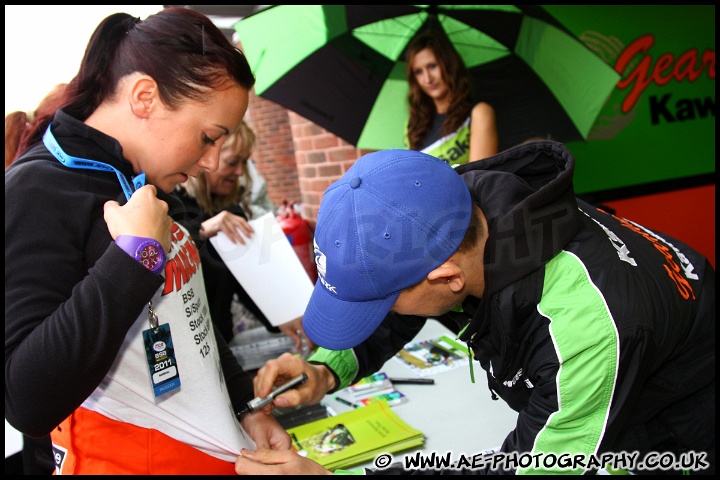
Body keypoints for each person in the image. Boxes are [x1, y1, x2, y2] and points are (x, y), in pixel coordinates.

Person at [236, 143, 715, 475]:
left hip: (679, 431)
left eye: (381, 300)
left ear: (448, 278)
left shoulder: (583, 329)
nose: (385, 312)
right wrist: (324, 370)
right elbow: (408, 306)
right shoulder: (452, 211)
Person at [5, 8, 290, 474]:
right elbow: (26, 400)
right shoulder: (36, 191)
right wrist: (133, 259)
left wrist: (243, 402)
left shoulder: (149, 184)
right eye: (208, 137)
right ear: (144, 96)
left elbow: (187, 313)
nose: (213, 163)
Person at [174, 120, 309, 349]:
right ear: (205, 159)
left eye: (244, 163)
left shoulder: (232, 208)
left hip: (222, 340)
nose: (239, 172)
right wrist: (204, 230)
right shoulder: (173, 204)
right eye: (232, 162)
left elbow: (249, 279)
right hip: (185, 345)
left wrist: (284, 317)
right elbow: (164, 251)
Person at [404, 28, 498, 166]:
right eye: (418, 72)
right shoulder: (414, 123)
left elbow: (479, 180)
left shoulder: (479, 113)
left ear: (449, 64)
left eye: (432, 66)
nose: (427, 78)